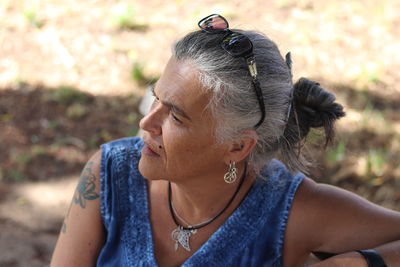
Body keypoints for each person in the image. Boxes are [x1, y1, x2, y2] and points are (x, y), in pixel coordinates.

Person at [51, 14, 400, 266]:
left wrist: (354, 263)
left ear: (237, 146)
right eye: (156, 97)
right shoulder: (110, 174)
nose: (147, 122)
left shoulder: (290, 211)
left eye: (175, 115)